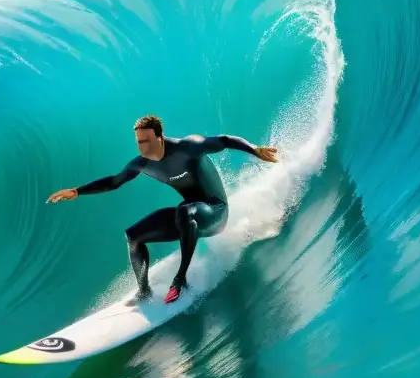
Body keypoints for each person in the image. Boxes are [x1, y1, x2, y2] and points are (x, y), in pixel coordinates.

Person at [47, 115, 278, 304]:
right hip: (189, 216)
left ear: (160, 137)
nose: (142, 147)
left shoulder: (188, 147)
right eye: (138, 142)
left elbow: (225, 140)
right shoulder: (142, 163)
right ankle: (144, 291)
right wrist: (76, 191)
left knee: (184, 211)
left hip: (216, 212)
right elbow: (115, 181)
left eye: (146, 141)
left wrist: (255, 149)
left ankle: (180, 280)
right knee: (134, 235)